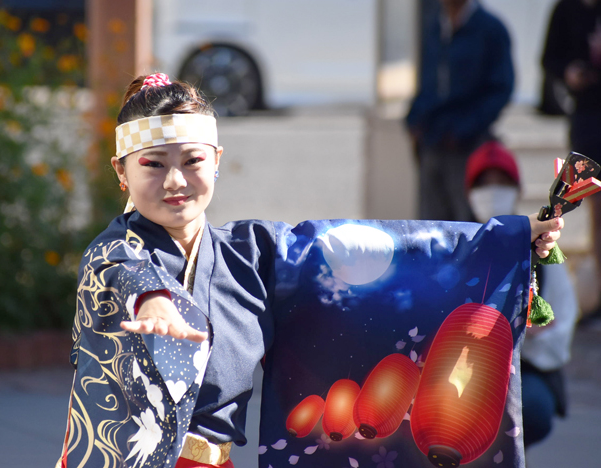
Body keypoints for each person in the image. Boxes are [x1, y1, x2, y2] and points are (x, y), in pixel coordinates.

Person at [57, 73, 563, 468]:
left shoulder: (251, 255)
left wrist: (511, 244)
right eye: (152, 164)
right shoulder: (115, 253)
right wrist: (154, 299)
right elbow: (122, 270)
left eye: (191, 160)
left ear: (216, 161)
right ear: (121, 170)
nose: (175, 181)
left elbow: (380, 248)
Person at [464, 140, 578, 448]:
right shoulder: (457, 245)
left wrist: (516, 340)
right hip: (460, 364)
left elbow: (560, 323)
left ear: (517, 188)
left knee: (531, 410)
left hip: (524, 367)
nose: (493, 190)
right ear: (468, 191)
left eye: (501, 182)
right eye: (484, 183)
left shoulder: (541, 246)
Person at [406, 0, 515, 221]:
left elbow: (501, 87)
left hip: (468, 144)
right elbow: (428, 82)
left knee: (466, 223)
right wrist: (414, 119)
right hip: (432, 141)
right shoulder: (435, 26)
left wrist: (465, 128)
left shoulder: (489, 28)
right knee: (432, 225)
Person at [541, 0, 601, 313]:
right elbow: (550, 58)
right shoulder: (567, 10)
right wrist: (569, 72)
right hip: (588, 119)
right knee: (597, 209)